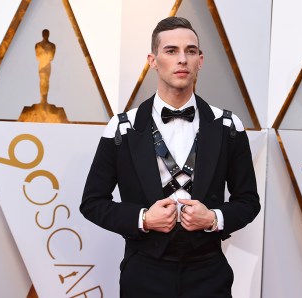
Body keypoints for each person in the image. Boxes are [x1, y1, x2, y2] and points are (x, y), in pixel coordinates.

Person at [80, 16, 260, 298]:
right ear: (153, 60)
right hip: (143, 273)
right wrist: (143, 219)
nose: (182, 60)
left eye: (190, 51)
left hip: (209, 273)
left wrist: (214, 217)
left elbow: (248, 201)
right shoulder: (122, 128)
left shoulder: (228, 126)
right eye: (171, 51)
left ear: (201, 60)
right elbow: (92, 202)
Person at [35, 29, 56, 105]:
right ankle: (42, 100)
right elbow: (37, 56)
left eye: (47, 33)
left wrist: (44, 54)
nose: (46, 35)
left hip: (47, 65)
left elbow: (51, 57)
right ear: (42, 34)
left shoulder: (52, 45)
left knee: (46, 81)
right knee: (42, 81)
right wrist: (45, 54)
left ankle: (45, 100)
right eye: (45, 33)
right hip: (42, 64)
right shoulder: (38, 45)